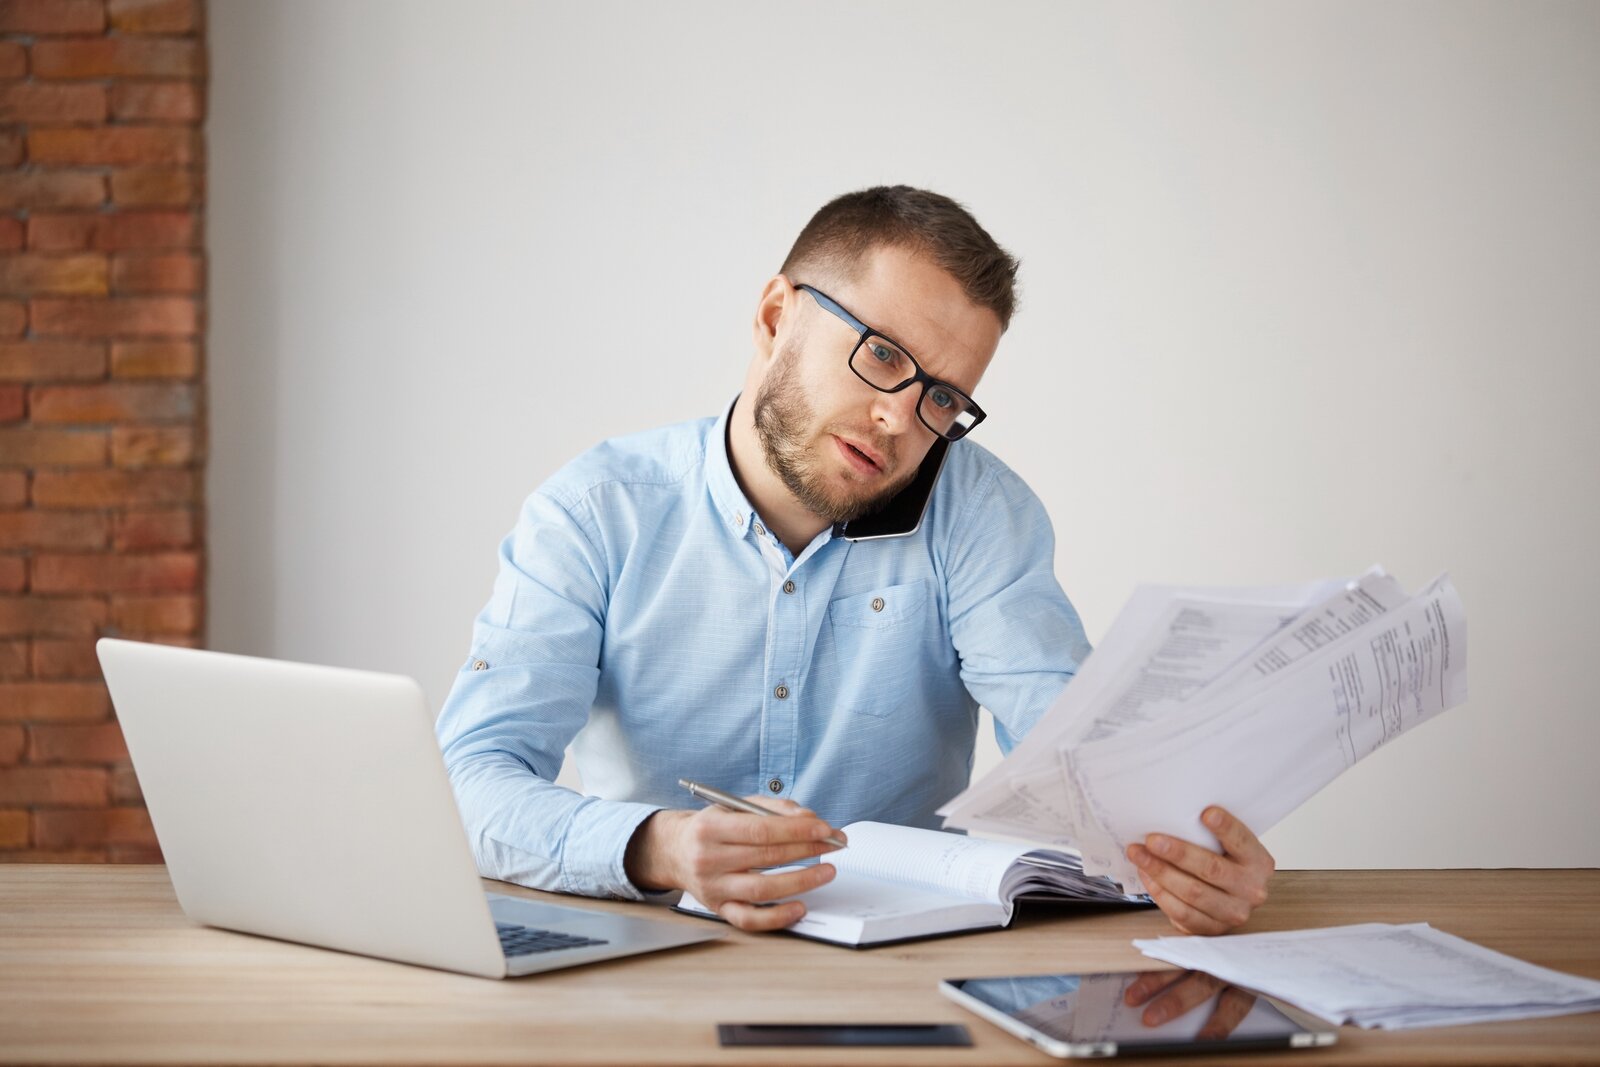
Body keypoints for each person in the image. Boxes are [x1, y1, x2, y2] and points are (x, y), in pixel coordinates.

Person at [436, 185, 1275, 936]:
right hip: (653, 954)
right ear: (775, 318)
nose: (899, 420)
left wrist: (1181, 851)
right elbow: (469, 779)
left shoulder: (978, 512)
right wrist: (664, 847)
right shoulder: (595, 511)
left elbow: (1072, 758)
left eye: (941, 397)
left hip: (905, 971)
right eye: (882, 354)